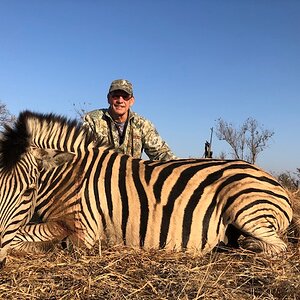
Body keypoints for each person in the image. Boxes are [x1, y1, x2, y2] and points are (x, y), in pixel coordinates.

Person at [83, 79, 177, 161]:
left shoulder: (143, 125)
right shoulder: (92, 120)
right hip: (101, 178)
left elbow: (161, 153)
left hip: (131, 178)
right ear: (108, 98)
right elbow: (83, 153)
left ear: (131, 101)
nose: (120, 100)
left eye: (125, 96)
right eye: (116, 95)